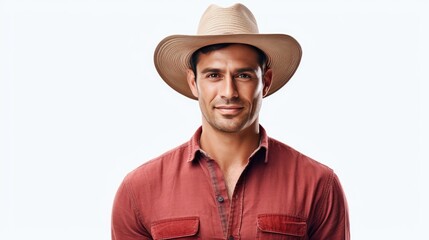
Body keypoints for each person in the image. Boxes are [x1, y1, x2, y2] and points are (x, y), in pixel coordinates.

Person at [111, 3, 350, 239]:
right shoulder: (139, 189)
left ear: (265, 81)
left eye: (243, 75)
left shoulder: (318, 184)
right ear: (193, 83)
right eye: (214, 75)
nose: (229, 91)